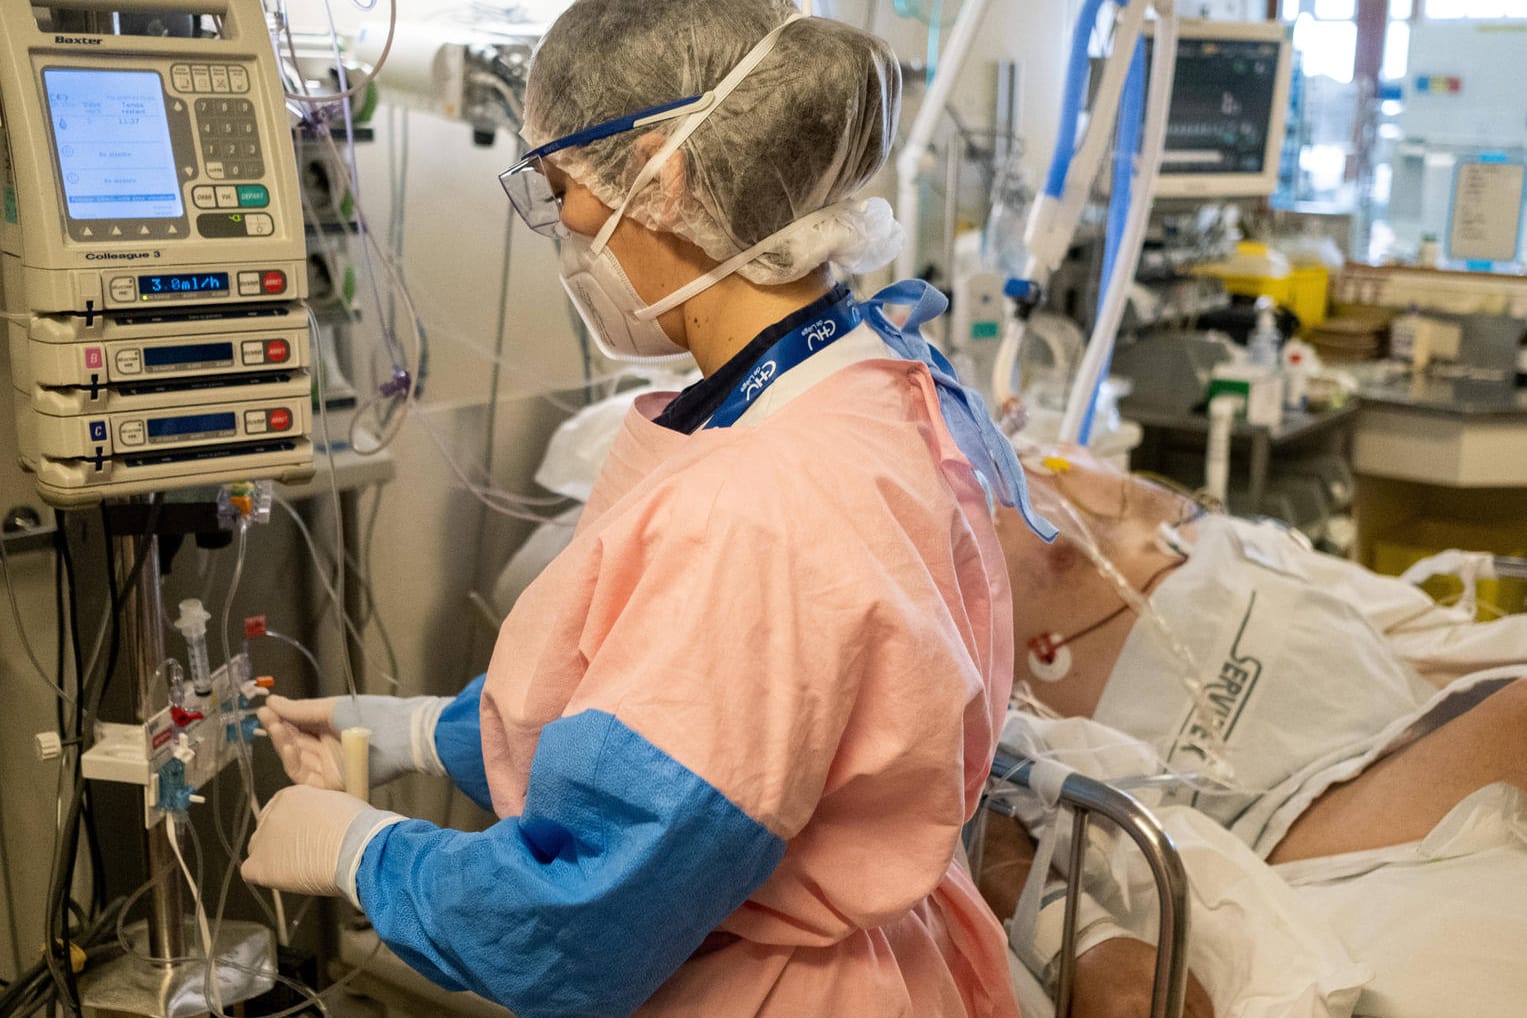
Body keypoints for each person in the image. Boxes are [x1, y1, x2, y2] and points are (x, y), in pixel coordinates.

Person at [241, 2, 1057, 1015]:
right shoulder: (863, 373)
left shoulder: (762, 502)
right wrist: (417, 732)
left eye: (562, 194)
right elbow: (701, 713)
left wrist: (365, 854)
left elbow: (589, 906)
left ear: (665, 177)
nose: (568, 235)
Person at [979, 445, 1527, 1018]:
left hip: (1394, 726)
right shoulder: (931, 534)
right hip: (1296, 808)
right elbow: (968, 788)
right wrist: (1074, 936)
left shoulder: (1205, 527)